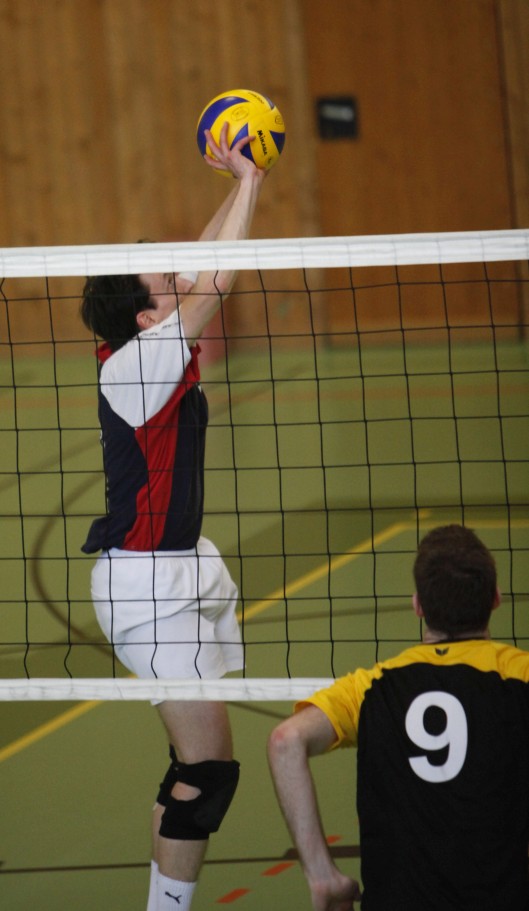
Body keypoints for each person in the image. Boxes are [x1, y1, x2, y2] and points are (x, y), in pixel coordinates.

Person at [80, 124, 266, 911]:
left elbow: (199, 267)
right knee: (207, 771)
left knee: (194, 766)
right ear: (146, 314)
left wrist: (241, 183)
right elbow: (214, 284)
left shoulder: (147, 340)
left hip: (180, 566)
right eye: (164, 280)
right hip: (146, 588)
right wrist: (251, 185)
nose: (177, 276)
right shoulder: (137, 365)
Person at [267, 524, 529, 911]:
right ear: (495, 598)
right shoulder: (520, 676)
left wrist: (323, 877)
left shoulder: (374, 687)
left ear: (418, 605)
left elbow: (285, 742)